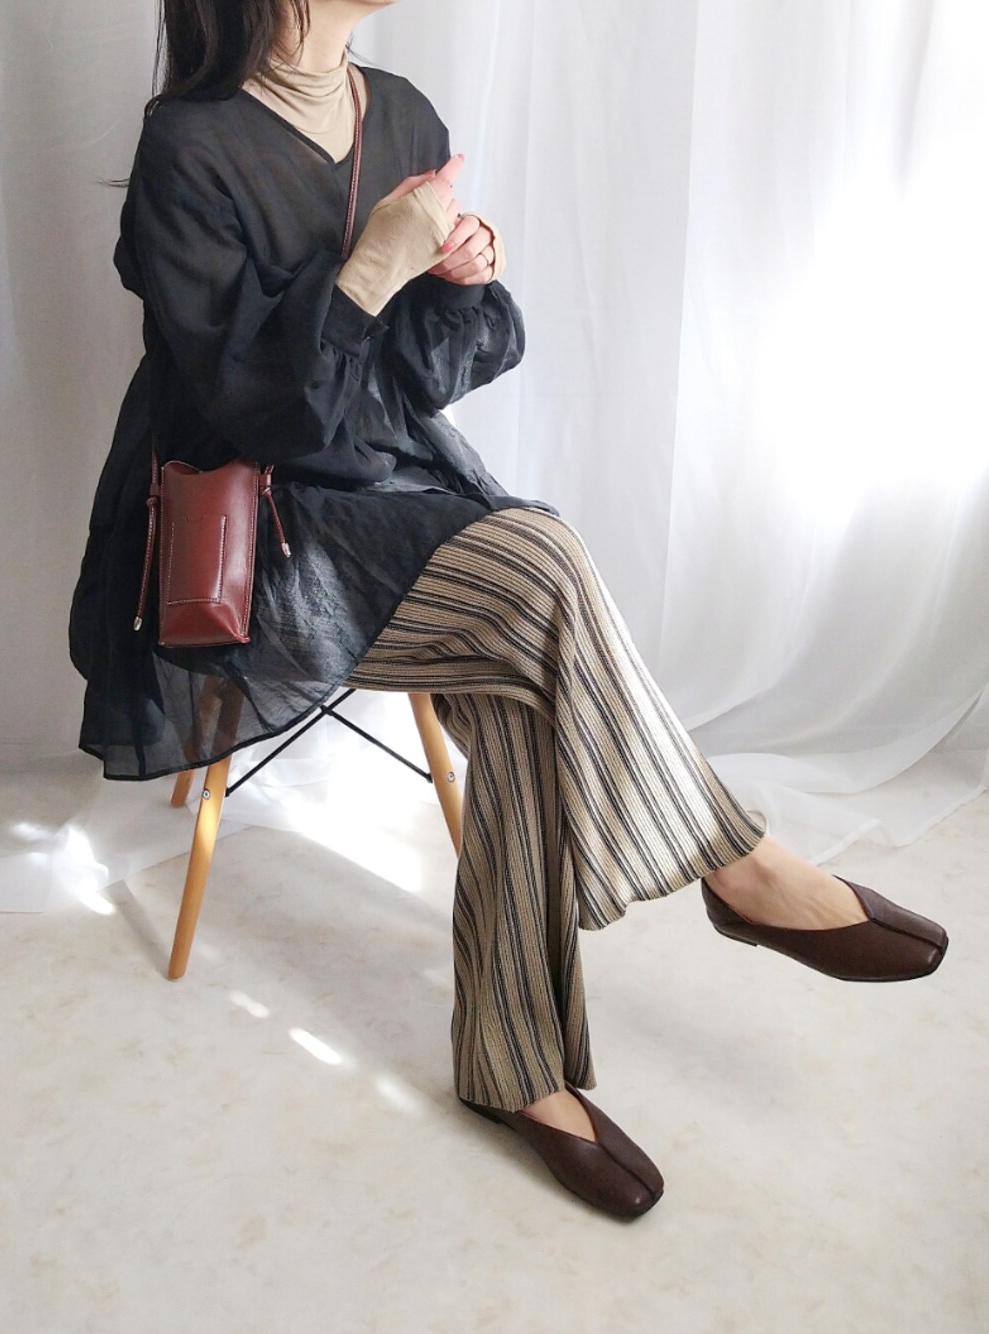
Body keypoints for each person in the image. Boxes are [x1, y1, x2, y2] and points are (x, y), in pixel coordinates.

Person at [69, 0, 948, 1220]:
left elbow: (426, 375)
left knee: (531, 633)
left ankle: (519, 1063)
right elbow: (249, 412)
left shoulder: (402, 112)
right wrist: (372, 263)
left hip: (393, 492)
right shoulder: (191, 142)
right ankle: (729, 865)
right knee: (541, 563)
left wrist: (457, 277)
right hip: (266, 534)